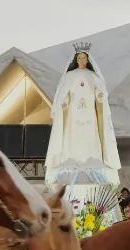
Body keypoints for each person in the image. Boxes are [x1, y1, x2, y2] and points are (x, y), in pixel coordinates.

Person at [44, 44, 121, 186]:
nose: (81, 60)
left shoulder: (93, 76)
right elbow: (64, 94)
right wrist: (64, 103)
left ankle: (92, 160)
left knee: (90, 136)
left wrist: (99, 95)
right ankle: (71, 159)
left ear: (88, 60)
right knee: (72, 136)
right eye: (79, 58)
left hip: (89, 114)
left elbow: (100, 91)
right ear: (76, 59)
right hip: (74, 114)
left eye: (84, 58)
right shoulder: (69, 76)